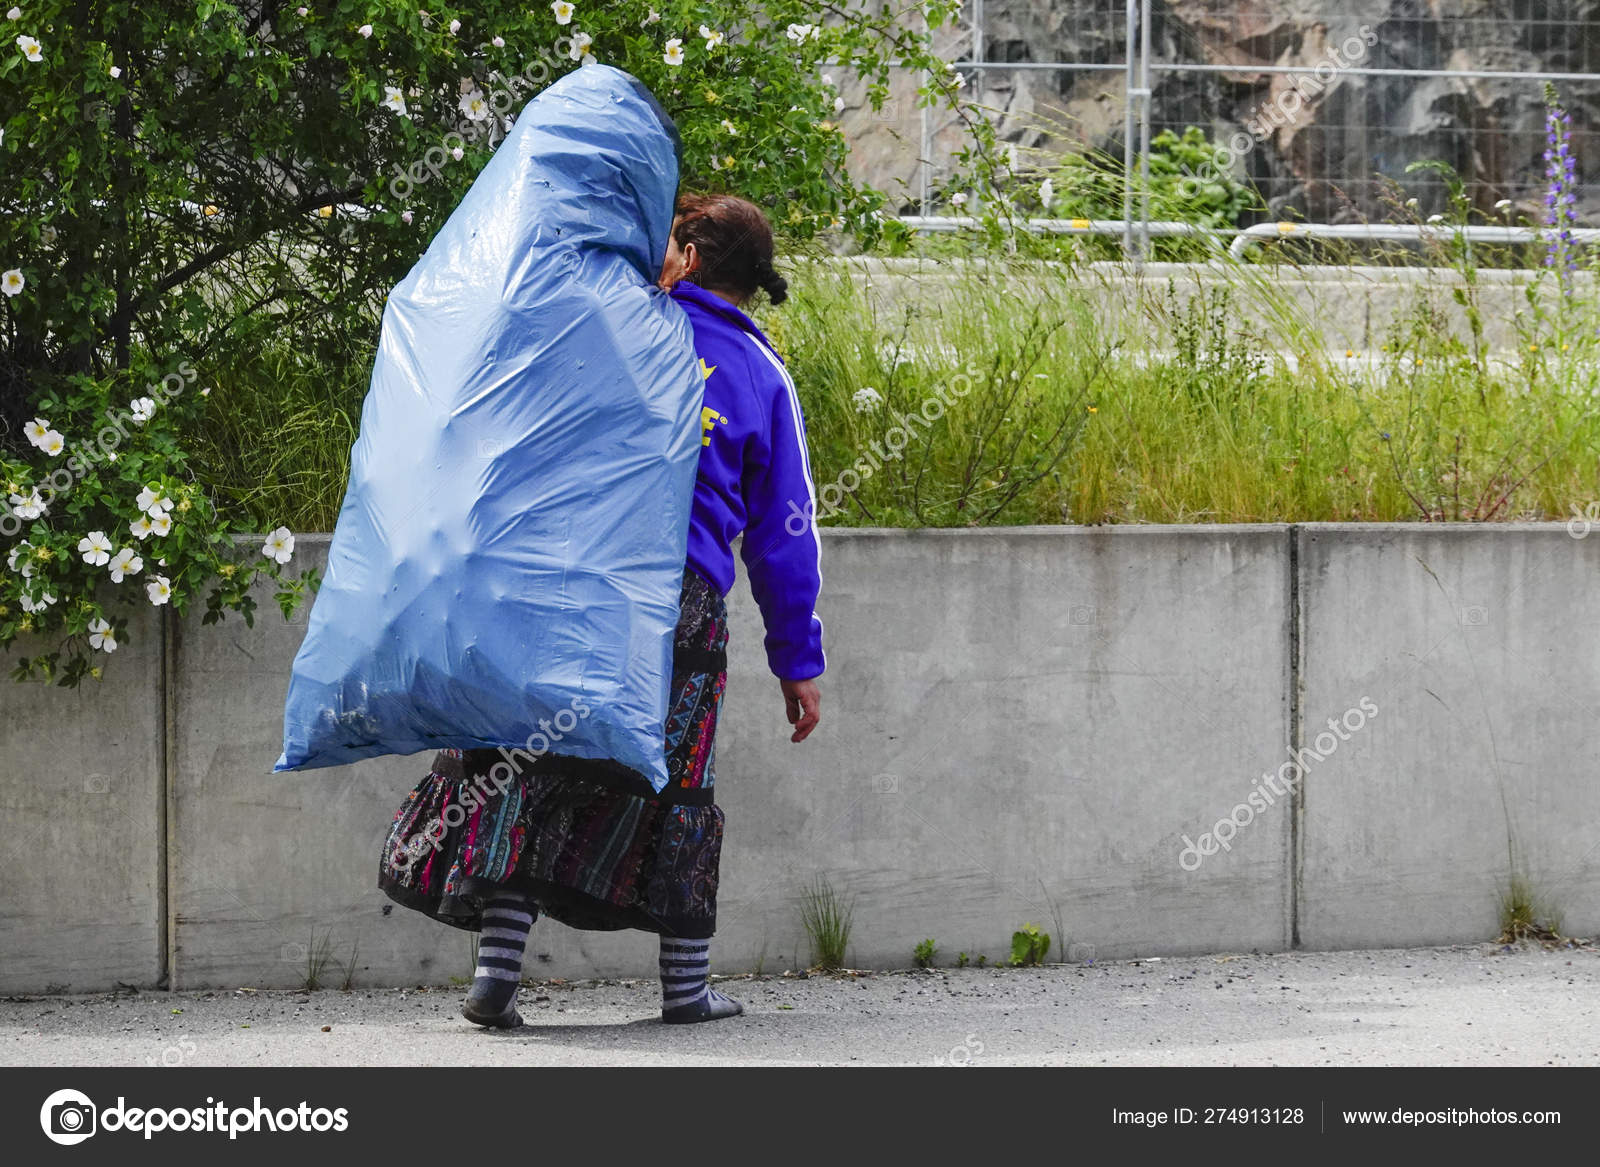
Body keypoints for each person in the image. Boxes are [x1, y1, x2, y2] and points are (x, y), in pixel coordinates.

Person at [377, 192, 825, 1027]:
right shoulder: (762, 376)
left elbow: (514, 440)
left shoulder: (608, 329)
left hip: (567, 584)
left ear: (689, 257)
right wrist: (797, 662)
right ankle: (685, 990)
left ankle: (496, 977)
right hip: (679, 609)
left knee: (530, 764)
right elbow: (785, 533)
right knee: (674, 779)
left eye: (669, 241)